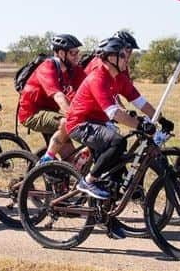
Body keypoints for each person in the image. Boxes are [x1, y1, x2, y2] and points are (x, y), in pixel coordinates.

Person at [63, 37, 152, 239]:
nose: (126, 59)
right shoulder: (98, 77)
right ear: (110, 57)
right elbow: (113, 112)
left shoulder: (118, 77)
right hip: (80, 123)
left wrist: (159, 119)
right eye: (121, 55)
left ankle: (107, 220)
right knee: (117, 141)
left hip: (98, 124)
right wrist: (140, 125)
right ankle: (88, 181)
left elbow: (139, 100)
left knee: (116, 173)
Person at [80, 30, 174, 136]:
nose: (129, 55)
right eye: (127, 50)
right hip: (87, 112)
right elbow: (107, 96)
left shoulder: (121, 68)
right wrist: (123, 111)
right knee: (113, 140)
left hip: (103, 110)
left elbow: (131, 94)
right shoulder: (100, 66)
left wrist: (160, 119)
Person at [17, 34, 86, 162]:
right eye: (73, 53)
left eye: (78, 52)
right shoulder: (48, 67)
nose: (77, 56)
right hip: (32, 113)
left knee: (72, 160)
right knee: (66, 123)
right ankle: (45, 161)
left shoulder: (74, 69)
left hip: (51, 113)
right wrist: (74, 116)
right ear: (61, 53)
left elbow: (90, 89)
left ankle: (61, 178)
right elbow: (58, 96)